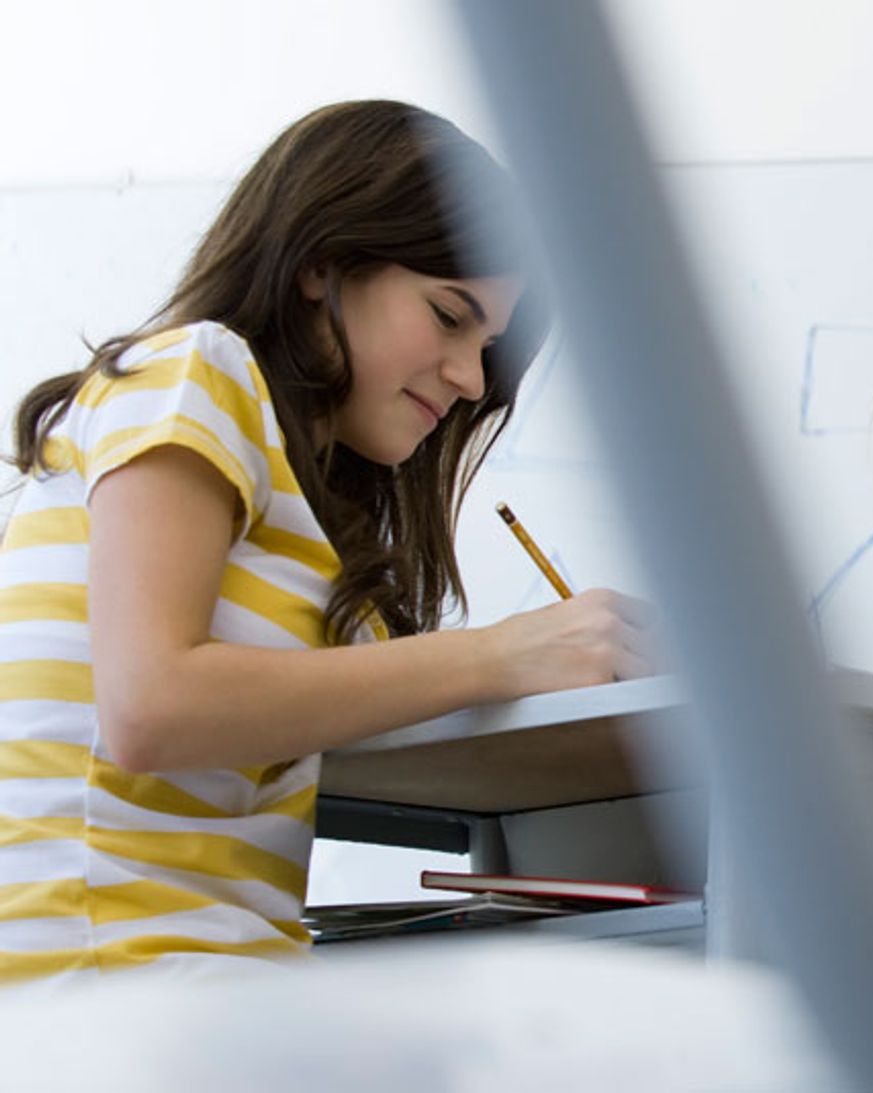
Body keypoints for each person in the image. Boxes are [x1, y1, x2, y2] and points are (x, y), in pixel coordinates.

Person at [0, 101, 648, 992]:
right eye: (449, 316)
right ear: (321, 265)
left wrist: (550, 661)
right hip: (111, 979)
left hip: (194, 974)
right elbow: (151, 706)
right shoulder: (198, 371)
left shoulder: (294, 499)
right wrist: (500, 654)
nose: (469, 379)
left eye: (487, 345)